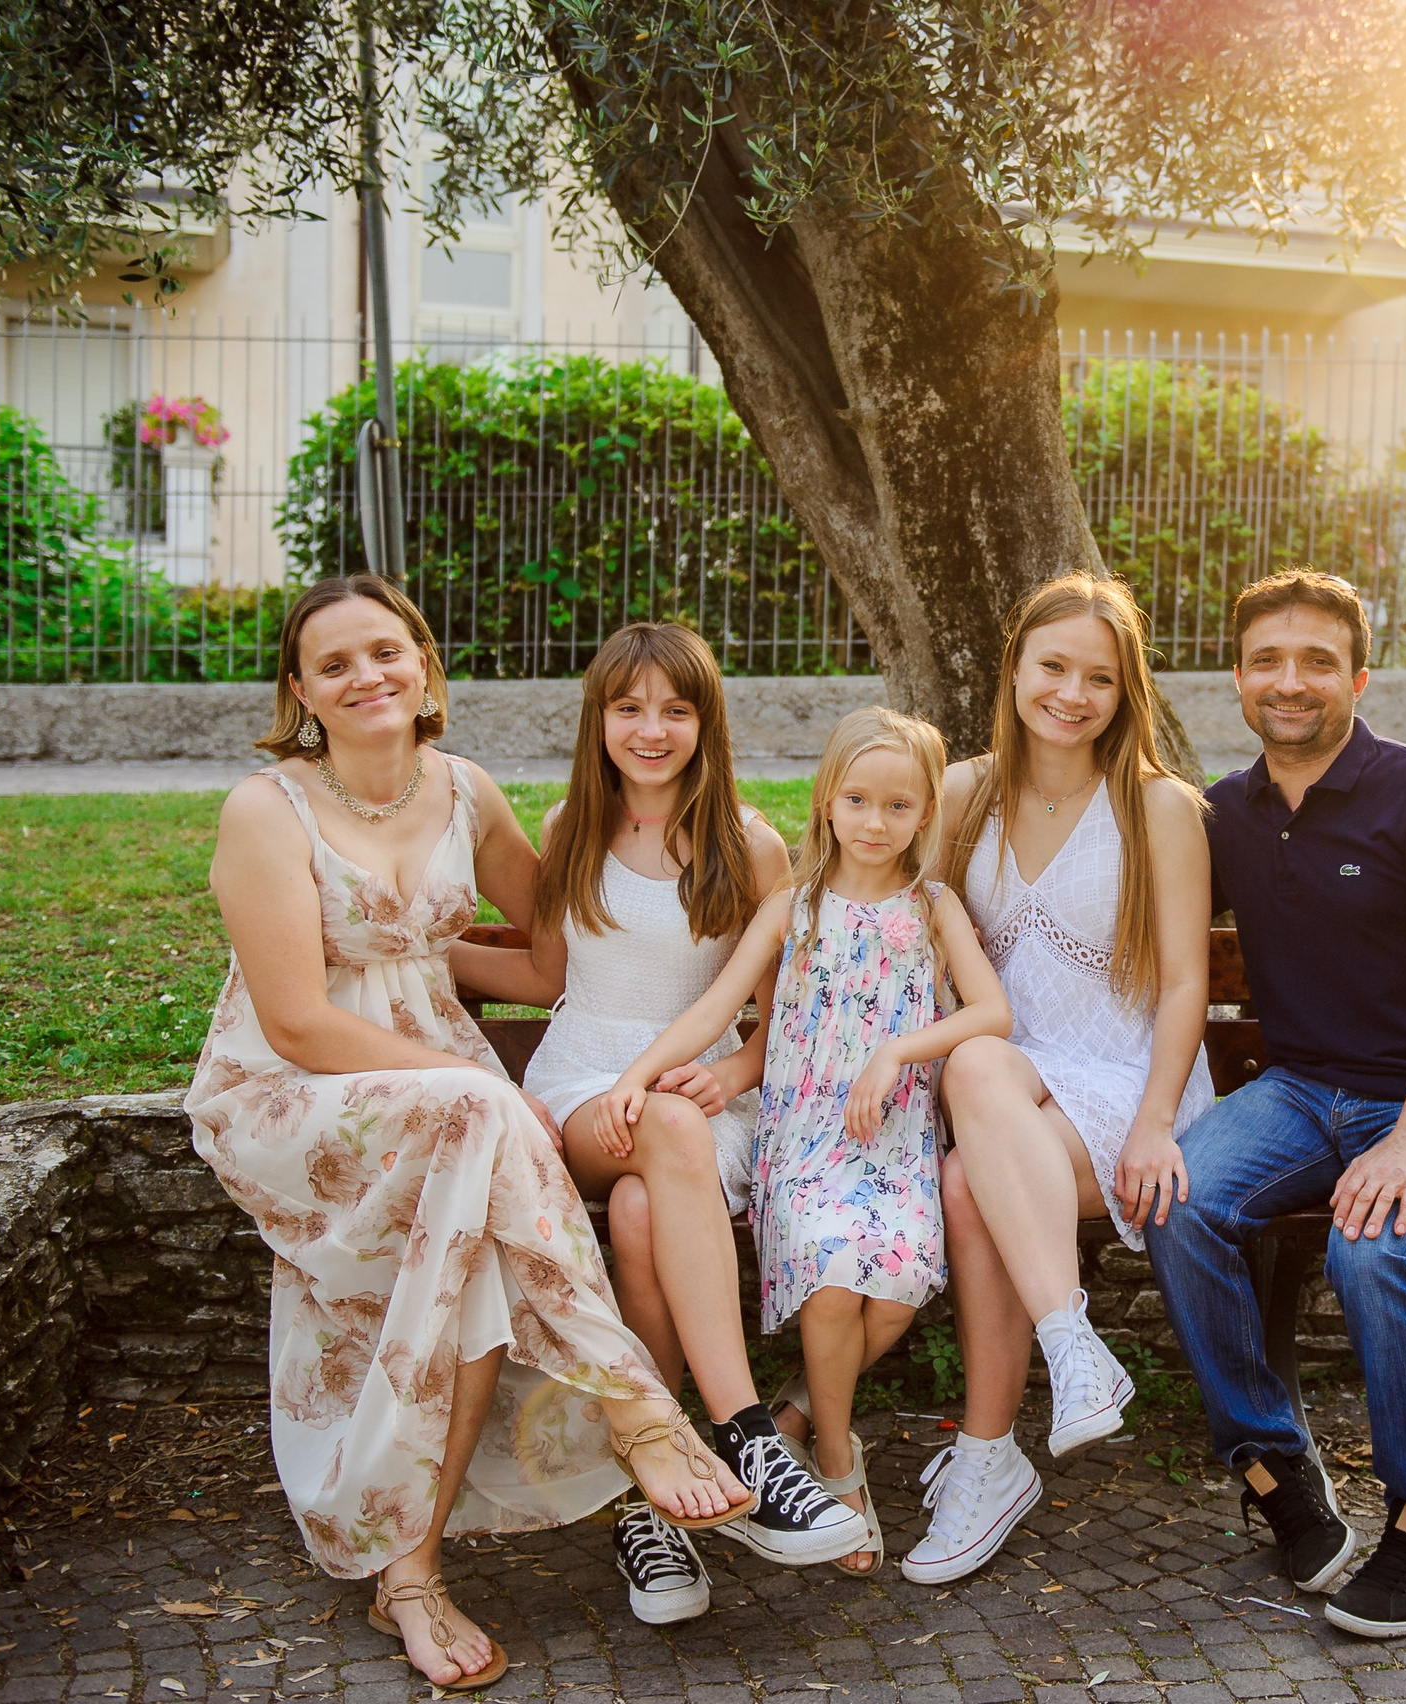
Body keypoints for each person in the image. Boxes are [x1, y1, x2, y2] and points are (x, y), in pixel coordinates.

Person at [184, 576, 750, 1692]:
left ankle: (414, 1574)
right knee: (489, 1111)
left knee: (473, 1264)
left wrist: (430, 964)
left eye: (385, 653)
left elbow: (552, 954)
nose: (365, 678)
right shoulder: (268, 808)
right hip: (293, 1091)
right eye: (333, 664)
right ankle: (638, 1408)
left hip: (447, 1101)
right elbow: (296, 1019)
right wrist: (462, 1067)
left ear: (425, 666)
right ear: (299, 690)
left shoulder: (468, 793)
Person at [445, 621, 867, 1623]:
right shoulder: (571, 829)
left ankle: (653, 1506)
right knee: (656, 1140)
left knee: (642, 1207)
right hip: (586, 1086)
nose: (651, 728)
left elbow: (789, 1003)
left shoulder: (748, 845)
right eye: (629, 708)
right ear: (600, 720)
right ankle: (746, 1433)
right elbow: (547, 973)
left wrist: (738, 1066)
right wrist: (426, 952)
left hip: (699, 1102)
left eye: (674, 709)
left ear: (704, 722)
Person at [1148, 570, 1406, 1641]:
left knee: (1373, 1246)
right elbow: (1126, 917)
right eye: (1267, 659)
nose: (1289, 681)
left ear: (1357, 676)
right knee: (1174, 1201)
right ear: (1237, 678)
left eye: (1316, 660)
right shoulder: (1227, 811)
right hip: (1301, 1094)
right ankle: (1273, 1467)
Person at [604, 706, 1013, 1577]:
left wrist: (899, 1048)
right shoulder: (794, 906)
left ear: (924, 816)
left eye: (899, 807)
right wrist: (635, 1078)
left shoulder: (933, 908)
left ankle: (791, 1415)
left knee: (895, 1295)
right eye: (858, 799)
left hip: (895, 1137)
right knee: (833, 1281)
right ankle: (837, 1463)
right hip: (805, 1142)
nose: (875, 822)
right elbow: (716, 1013)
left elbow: (992, 1012)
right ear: (827, 801)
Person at [892, 573, 1217, 1586]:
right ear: (1015, 668)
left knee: (967, 1179)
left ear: (1128, 694)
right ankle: (1065, 1347)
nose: (1072, 695)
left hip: (1124, 1083)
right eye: (1054, 668)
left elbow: (1186, 985)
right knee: (980, 1075)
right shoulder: (961, 793)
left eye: (1099, 679)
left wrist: (1157, 1122)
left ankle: (993, 1457)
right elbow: (901, 945)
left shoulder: (1158, 806)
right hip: (1002, 1086)